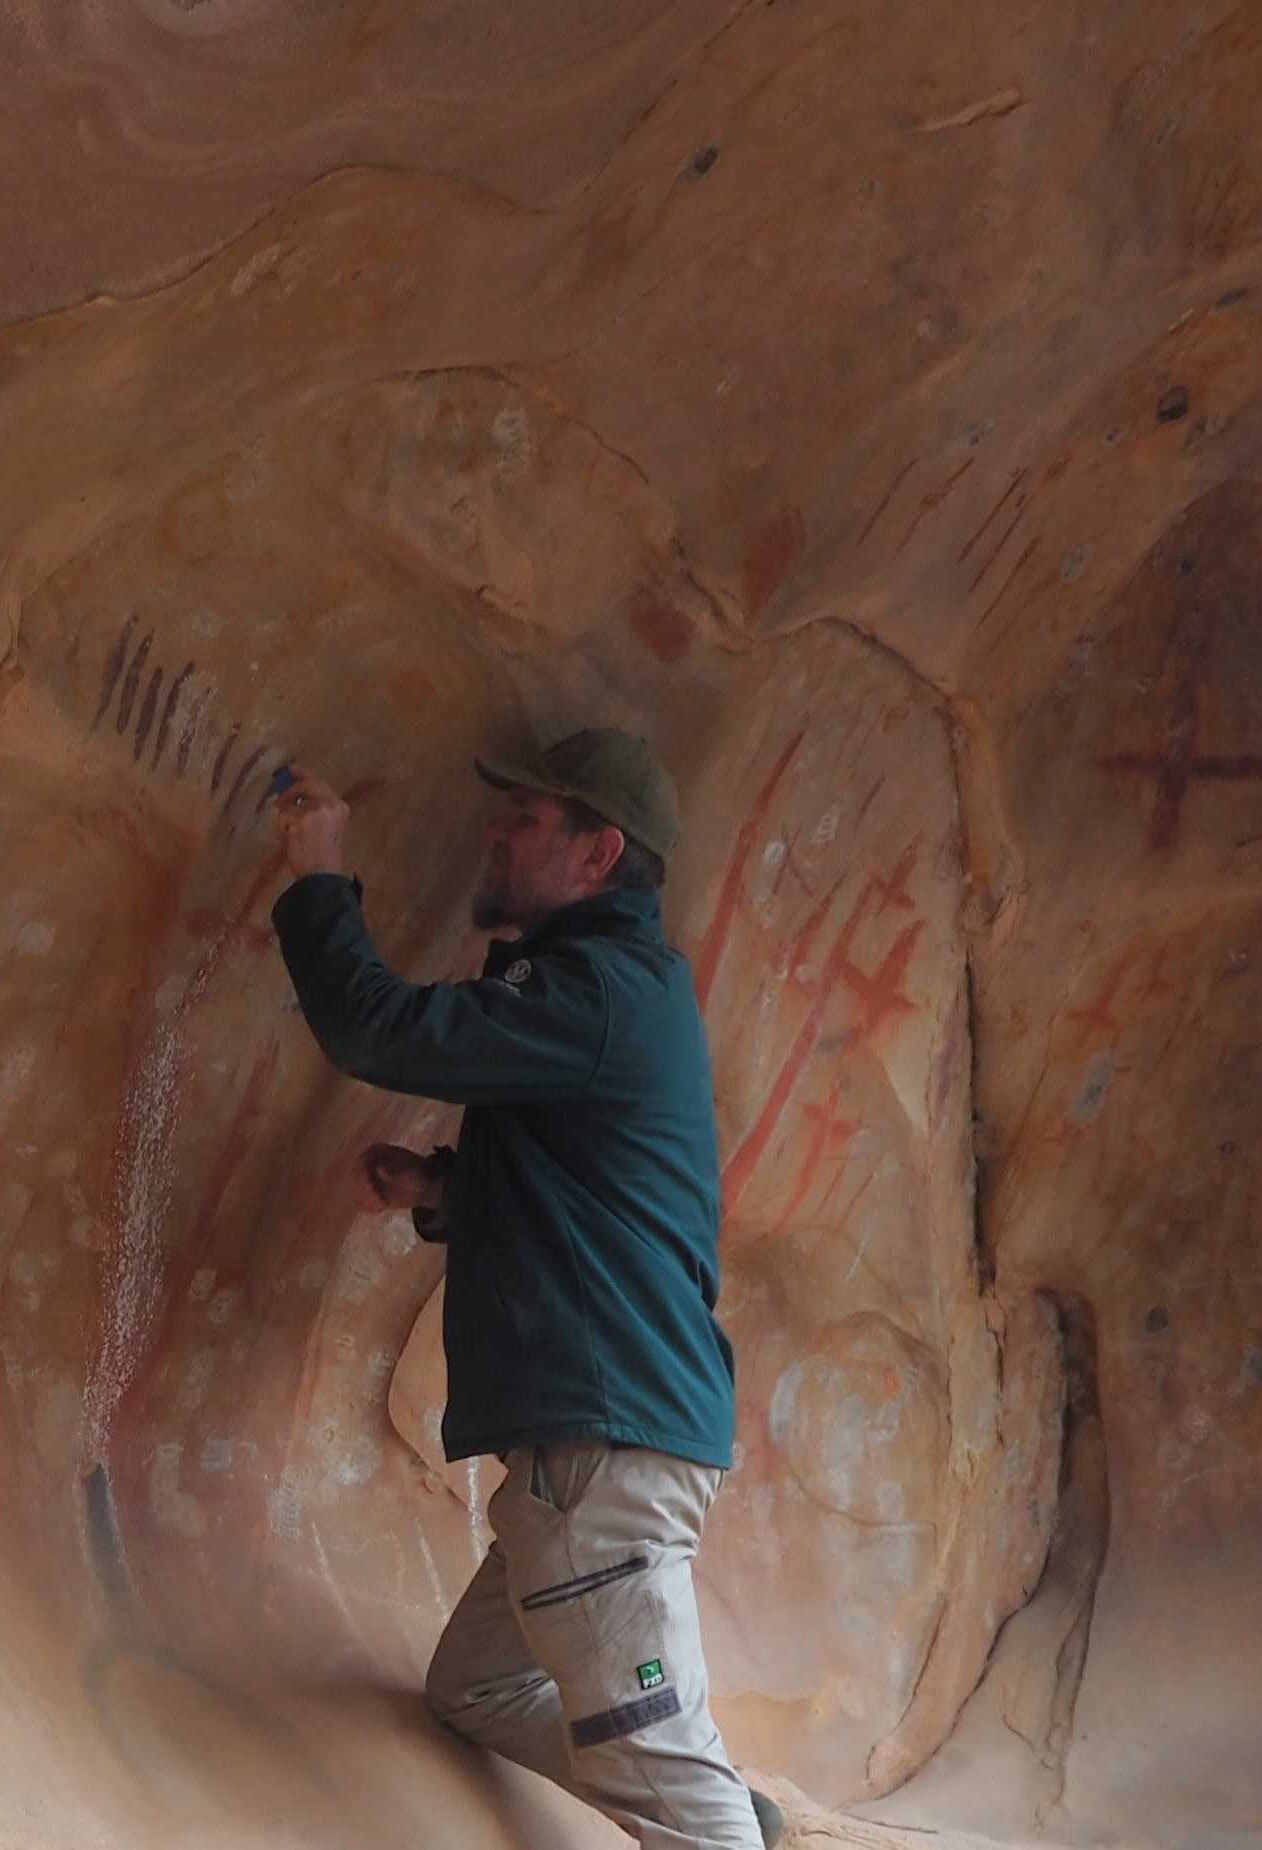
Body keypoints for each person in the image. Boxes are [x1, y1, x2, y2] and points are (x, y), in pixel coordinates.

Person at [269, 728, 781, 1850]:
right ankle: (735, 1811)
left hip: (600, 1463)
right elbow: (600, 1200)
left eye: (527, 817)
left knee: (675, 1794)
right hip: (603, 1450)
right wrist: (446, 1191)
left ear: (599, 853)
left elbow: (377, 1028)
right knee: (480, 1688)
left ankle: (711, 1814)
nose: (496, 830)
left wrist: (317, 878)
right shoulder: (613, 991)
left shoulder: (595, 992)